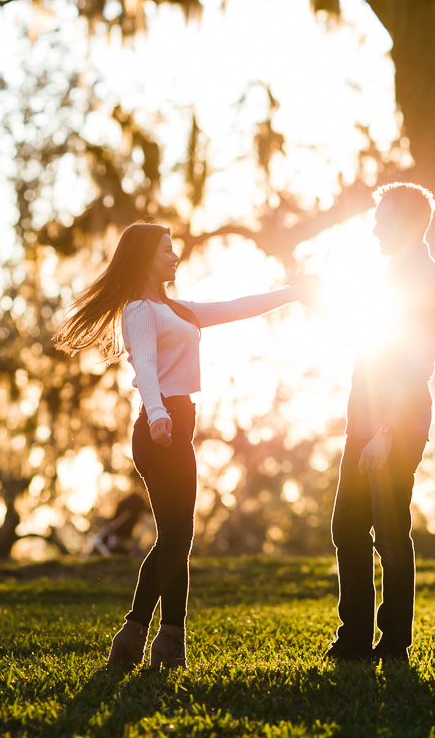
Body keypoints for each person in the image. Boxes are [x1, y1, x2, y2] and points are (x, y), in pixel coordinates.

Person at [53, 222, 310, 670]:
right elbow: (146, 371)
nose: (175, 257)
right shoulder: (139, 311)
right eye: (166, 251)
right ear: (145, 258)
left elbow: (235, 307)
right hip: (161, 425)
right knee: (177, 537)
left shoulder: (177, 309)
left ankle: (141, 638)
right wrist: (157, 416)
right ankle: (158, 640)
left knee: (177, 537)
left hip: (177, 423)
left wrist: (290, 292)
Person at [316, 182, 435, 666]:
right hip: (366, 426)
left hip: (393, 428)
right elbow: (366, 342)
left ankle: (393, 646)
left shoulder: (426, 282)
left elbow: (417, 368)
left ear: (410, 223)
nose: (374, 230)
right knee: (347, 529)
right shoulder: (392, 276)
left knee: (390, 536)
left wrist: (387, 433)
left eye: (382, 220)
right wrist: (320, 305)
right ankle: (353, 639)